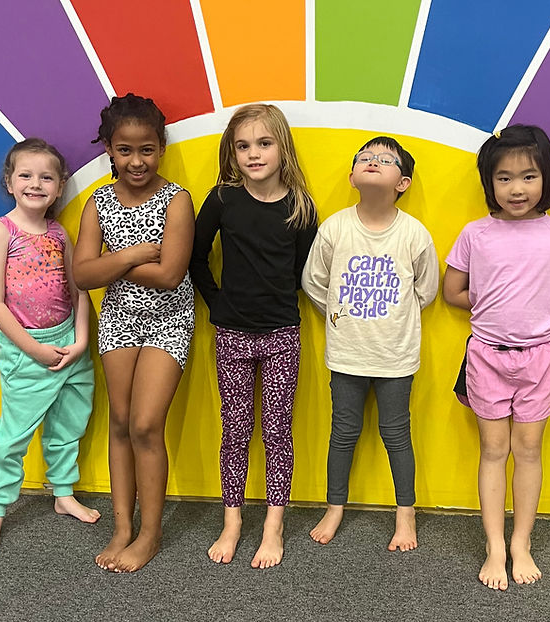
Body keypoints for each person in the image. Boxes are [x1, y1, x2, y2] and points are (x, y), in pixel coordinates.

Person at [444, 124, 550, 590]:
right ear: (489, 183)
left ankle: (521, 542)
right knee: (493, 451)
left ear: (546, 178)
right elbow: (453, 291)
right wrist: (488, 304)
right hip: (486, 355)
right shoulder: (475, 233)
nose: (517, 188)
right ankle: (495, 546)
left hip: (541, 357)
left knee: (528, 452)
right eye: (504, 178)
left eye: (528, 176)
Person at [189, 103, 318, 569]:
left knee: (278, 431)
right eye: (243, 146)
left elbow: (307, 273)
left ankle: (273, 525)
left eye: (264, 144)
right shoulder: (223, 198)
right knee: (235, 430)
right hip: (232, 334)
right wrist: (217, 303)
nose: (253, 154)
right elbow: (195, 256)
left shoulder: (301, 207)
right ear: (232, 152)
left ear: (282, 147)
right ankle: (233, 520)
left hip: (282, 333)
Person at [73, 94, 195, 573]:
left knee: (146, 424)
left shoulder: (177, 198)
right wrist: (130, 255)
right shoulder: (98, 202)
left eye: (146, 149)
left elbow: (170, 276)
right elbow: (82, 276)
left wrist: (108, 265)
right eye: (125, 150)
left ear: (160, 148)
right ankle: (122, 526)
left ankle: (150, 532)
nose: (136, 160)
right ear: (109, 149)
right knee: (120, 423)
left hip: (169, 319)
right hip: (120, 318)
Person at [302, 136, 438, 552]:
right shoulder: (335, 228)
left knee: (396, 433)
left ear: (404, 182)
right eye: (365, 157)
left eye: (386, 159)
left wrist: (392, 321)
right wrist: (340, 316)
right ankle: (335, 506)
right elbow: (313, 281)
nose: (374, 161)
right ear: (352, 176)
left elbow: (426, 290)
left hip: (396, 357)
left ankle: (406, 512)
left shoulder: (414, 234)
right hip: (347, 354)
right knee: (343, 432)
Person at [0, 138, 100, 556]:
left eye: (46, 176)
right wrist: (33, 349)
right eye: (25, 175)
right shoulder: (0, 231)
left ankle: (63, 494)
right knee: (12, 437)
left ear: (60, 185)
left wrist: (81, 340)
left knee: (68, 424)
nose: (35, 183)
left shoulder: (60, 232)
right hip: (28, 350)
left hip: (69, 343)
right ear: (9, 182)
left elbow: (78, 287)